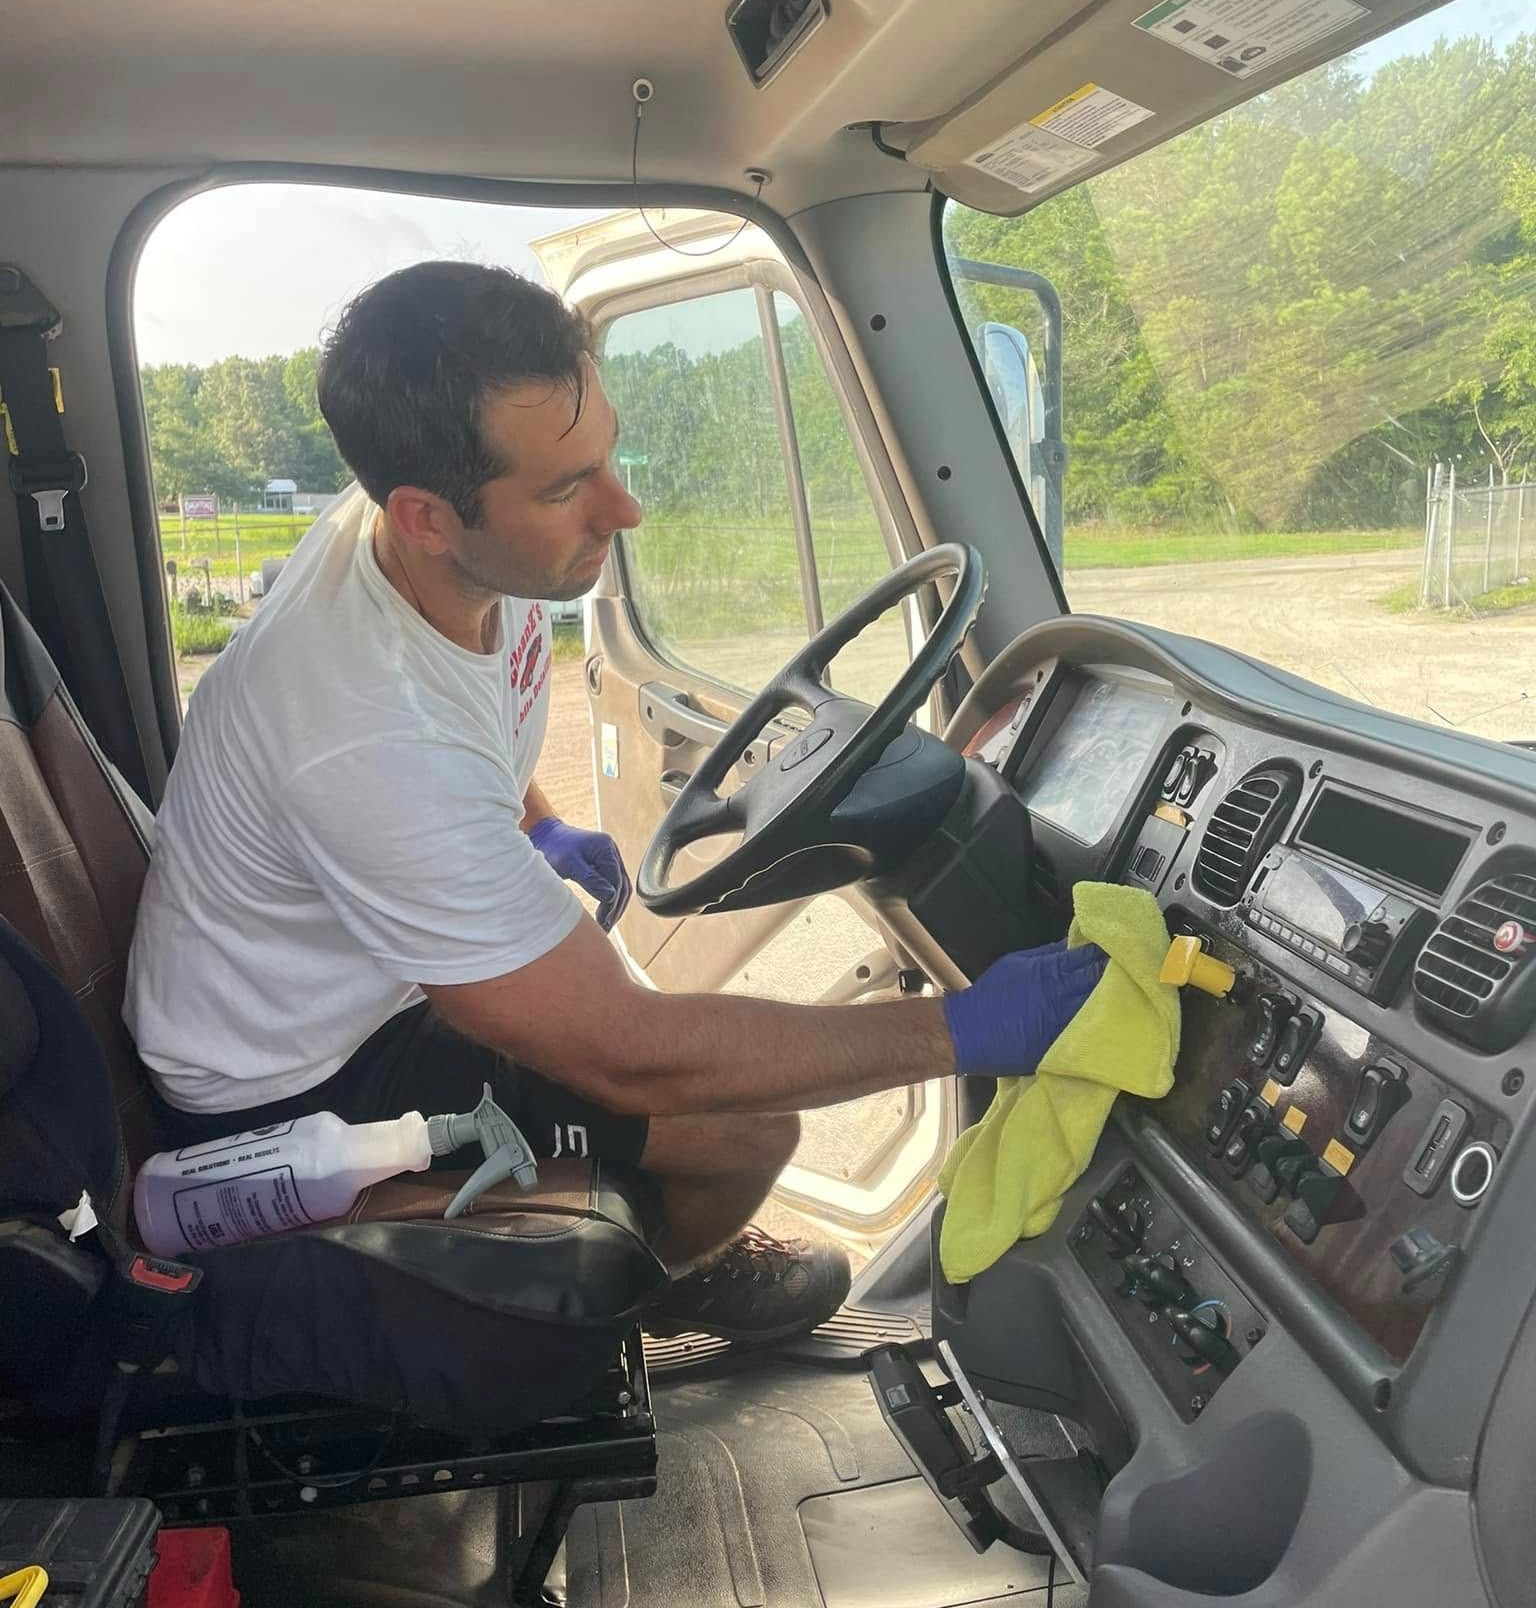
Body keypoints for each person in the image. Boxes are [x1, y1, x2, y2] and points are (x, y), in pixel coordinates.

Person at [125, 262, 1103, 1342]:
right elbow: (626, 1046)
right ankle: (644, 1302)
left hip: (356, 982)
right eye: (563, 489)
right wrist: (965, 1026)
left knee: (679, 1070)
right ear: (426, 515)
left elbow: (470, 725)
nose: (623, 507)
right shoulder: (356, 721)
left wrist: (535, 818)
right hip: (286, 1074)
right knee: (748, 1127)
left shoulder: (439, 549)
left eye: (605, 453)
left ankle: (642, 1259)